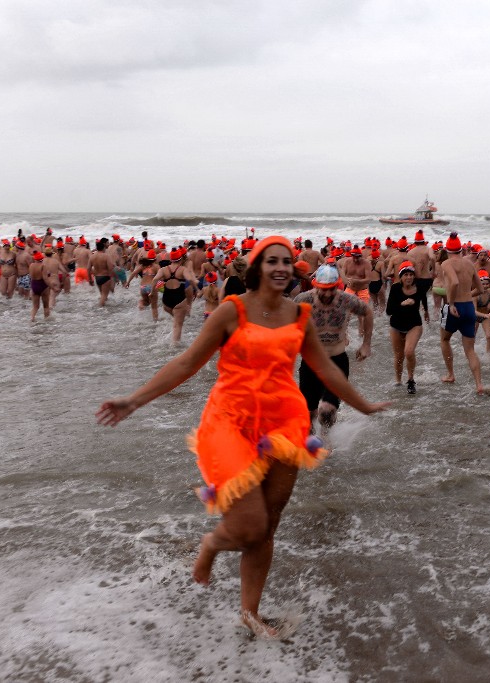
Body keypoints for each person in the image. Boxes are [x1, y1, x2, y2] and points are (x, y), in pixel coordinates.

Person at [96, 235, 388, 638]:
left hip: (284, 423)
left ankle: (250, 612)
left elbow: (328, 371)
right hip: (231, 420)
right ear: (257, 267)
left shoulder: (299, 315)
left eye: (287, 261)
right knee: (249, 525)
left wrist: (364, 404)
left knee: (267, 526)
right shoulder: (231, 311)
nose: (282, 267)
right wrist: (134, 400)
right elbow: (186, 362)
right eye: (272, 261)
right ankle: (212, 545)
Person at [294, 263, 373, 428]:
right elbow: (288, 321)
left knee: (327, 410)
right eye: (324, 289)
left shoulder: (346, 300)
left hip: (337, 360)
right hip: (311, 362)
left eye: (332, 288)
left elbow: (368, 312)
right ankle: (311, 444)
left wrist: (366, 344)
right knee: (309, 413)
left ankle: (327, 439)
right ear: (316, 285)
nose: (328, 293)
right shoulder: (303, 299)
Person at [439, 233, 485, 393]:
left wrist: (451, 303)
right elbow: (481, 289)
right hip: (468, 308)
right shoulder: (470, 265)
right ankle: (479, 384)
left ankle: (450, 374)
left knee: (445, 339)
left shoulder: (446, 263)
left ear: (446, 249)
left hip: (454, 307)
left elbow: (455, 282)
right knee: (470, 350)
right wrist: (466, 296)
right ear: (460, 249)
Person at [386, 261, 423, 393]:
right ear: (401, 277)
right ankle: (398, 381)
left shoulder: (419, 288)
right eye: (406, 274)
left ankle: (411, 380)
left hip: (414, 325)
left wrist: (428, 313)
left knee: (408, 351)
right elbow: (389, 311)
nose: (409, 277)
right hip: (396, 325)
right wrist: (402, 304)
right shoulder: (395, 288)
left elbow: (424, 301)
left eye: (411, 274)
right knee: (399, 356)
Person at [155, 249, 199, 343]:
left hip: (166, 300)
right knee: (178, 325)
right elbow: (190, 279)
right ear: (180, 260)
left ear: (171, 259)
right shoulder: (183, 269)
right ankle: (175, 347)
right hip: (179, 299)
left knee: (175, 320)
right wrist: (197, 289)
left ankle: (171, 338)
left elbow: (155, 280)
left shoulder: (163, 269)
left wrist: (152, 292)